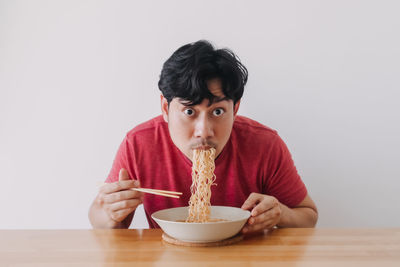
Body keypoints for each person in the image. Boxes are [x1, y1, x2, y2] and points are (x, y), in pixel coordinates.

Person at [89, 40, 318, 232]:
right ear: (166, 109)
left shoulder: (265, 144)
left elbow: (308, 217)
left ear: (235, 109)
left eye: (217, 112)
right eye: (189, 111)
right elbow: (99, 219)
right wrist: (110, 213)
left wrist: (279, 214)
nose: (204, 130)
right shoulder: (140, 144)